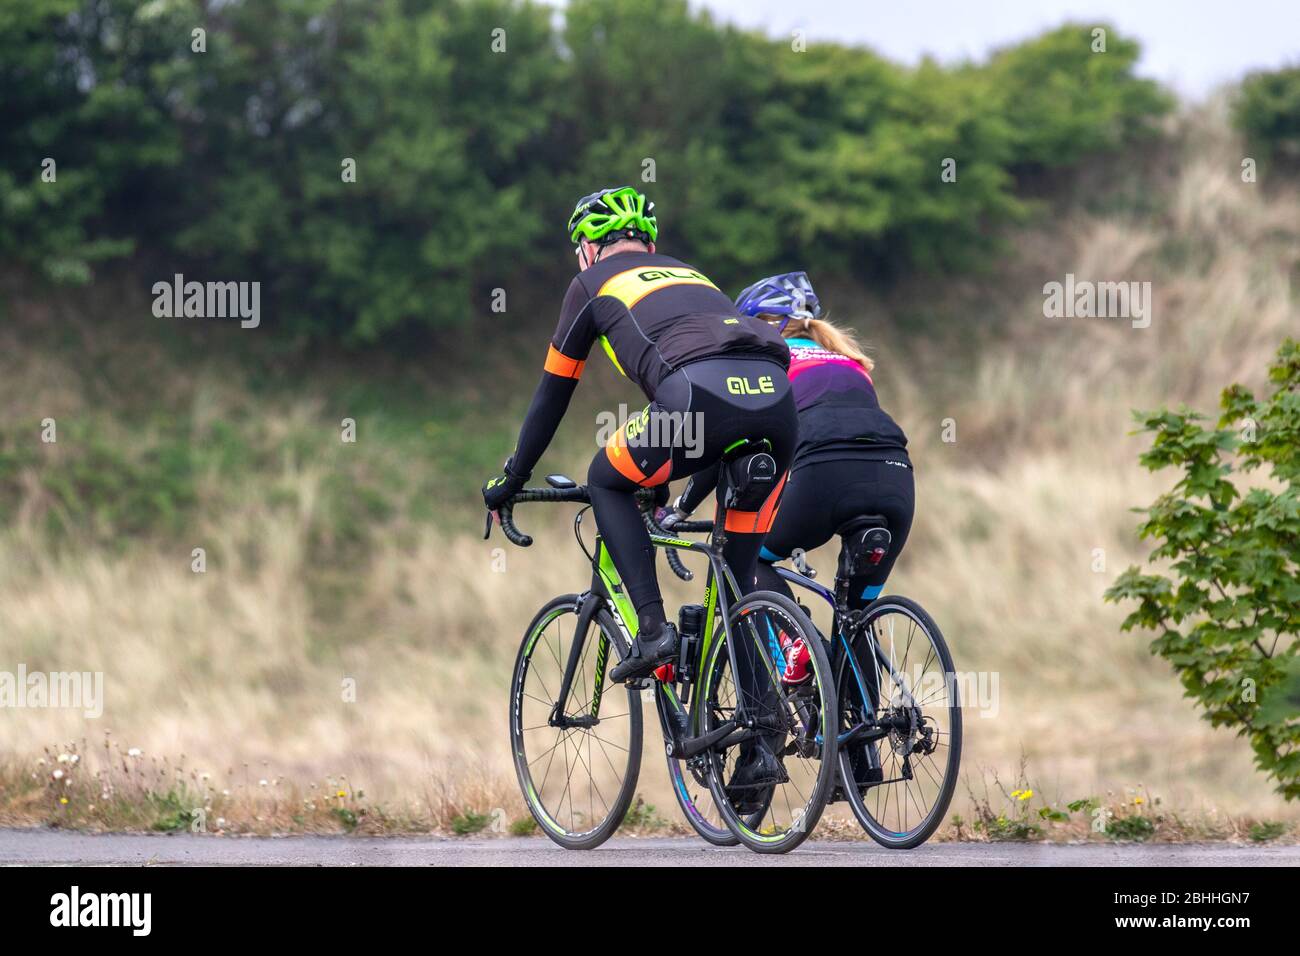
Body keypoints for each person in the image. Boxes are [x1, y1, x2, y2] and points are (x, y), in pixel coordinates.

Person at [481, 187, 797, 690]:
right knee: (739, 592)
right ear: (650, 247)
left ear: (587, 247)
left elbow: (552, 394)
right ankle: (760, 741)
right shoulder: (692, 274)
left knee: (606, 479)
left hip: (698, 398)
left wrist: (512, 476)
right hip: (778, 403)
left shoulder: (590, 283)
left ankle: (652, 633)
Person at [733, 271, 914, 622]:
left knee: (748, 558)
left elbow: (750, 440)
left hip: (824, 473)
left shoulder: (767, 364)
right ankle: (856, 666)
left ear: (762, 325)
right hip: (897, 478)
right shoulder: (852, 362)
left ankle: (793, 645)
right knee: (857, 616)